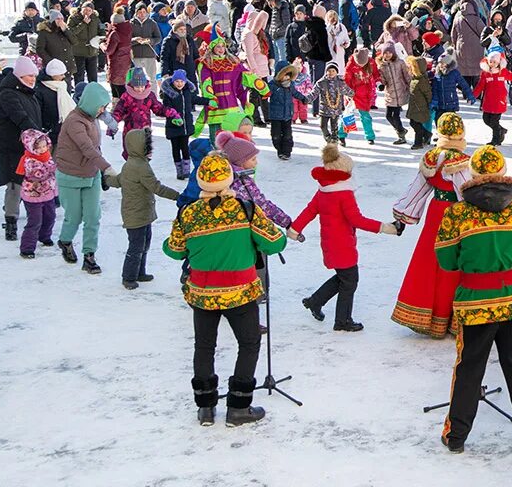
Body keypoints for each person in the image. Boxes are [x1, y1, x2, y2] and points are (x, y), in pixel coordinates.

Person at [434, 145, 512, 454]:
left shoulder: (456, 213)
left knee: (469, 367)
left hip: (475, 302)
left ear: (472, 173)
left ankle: (456, 435)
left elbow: (446, 260)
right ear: (503, 172)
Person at [163, 152, 286, 427]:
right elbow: (275, 243)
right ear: (229, 179)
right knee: (249, 343)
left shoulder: (189, 213)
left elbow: (173, 250)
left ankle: (206, 408)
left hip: (202, 293)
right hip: (240, 291)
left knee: (204, 347)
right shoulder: (244, 209)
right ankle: (238, 407)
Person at [293, 143, 402, 332]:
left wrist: (295, 229)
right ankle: (342, 321)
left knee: (345, 277)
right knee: (350, 280)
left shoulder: (324, 190)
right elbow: (356, 219)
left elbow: (309, 211)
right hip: (342, 244)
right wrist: (386, 228)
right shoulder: (344, 194)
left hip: (330, 242)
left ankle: (315, 301)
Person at [392, 112, 473, 337]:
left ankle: (431, 316)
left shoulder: (431, 158)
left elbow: (417, 189)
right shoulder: (460, 161)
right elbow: (468, 193)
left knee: (432, 262)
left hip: (435, 212)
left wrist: (403, 214)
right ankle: (453, 318)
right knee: (455, 265)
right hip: (457, 215)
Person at [56, 82, 117, 274]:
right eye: (101, 106)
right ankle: (65, 241)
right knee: (74, 217)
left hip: (91, 174)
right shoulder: (74, 121)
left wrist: (100, 172)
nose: (102, 110)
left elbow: (95, 148)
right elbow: (87, 148)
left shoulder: (92, 118)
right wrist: (107, 168)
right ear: (90, 102)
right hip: (71, 175)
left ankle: (89, 255)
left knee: (93, 217)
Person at [107, 129, 180, 289]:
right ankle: (128, 277)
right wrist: (177, 196)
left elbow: (118, 180)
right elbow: (156, 187)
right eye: (148, 146)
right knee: (136, 247)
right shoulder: (140, 167)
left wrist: (107, 180)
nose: (151, 150)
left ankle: (140, 272)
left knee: (144, 244)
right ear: (140, 148)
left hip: (141, 213)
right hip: (136, 215)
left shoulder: (131, 164)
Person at [0, 56, 43, 241]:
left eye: (34, 75)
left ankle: (16, 210)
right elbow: (20, 117)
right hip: (10, 146)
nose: (32, 79)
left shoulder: (28, 91)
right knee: (15, 183)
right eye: (29, 75)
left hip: (26, 145)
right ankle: (11, 223)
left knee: (26, 182)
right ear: (20, 75)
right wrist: (37, 134)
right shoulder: (8, 94)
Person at [111, 66, 182, 159]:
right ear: (132, 85)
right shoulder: (126, 96)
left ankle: (143, 171)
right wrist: (112, 124)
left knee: (144, 155)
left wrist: (172, 113)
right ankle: (131, 171)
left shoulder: (149, 95)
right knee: (130, 155)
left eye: (142, 86)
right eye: (137, 86)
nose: (140, 89)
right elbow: (118, 112)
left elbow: (159, 108)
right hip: (130, 131)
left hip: (145, 130)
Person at [15, 129, 58, 258]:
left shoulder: (46, 156)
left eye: (44, 146)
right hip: (33, 194)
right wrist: (52, 168)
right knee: (35, 220)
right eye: (39, 148)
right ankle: (27, 248)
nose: (43, 149)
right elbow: (38, 175)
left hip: (47, 192)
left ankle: (44, 236)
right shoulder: (29, 160)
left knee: (50, 215)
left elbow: (50, 169)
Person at [160, 69, 206, 178]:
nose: (179, 84)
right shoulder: (169, 94)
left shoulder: (188, 92)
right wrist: (173, 117)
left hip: (185, 126)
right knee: (175, 149)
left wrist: (208, 101)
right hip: (173, 127)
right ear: (173, 82)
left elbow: (196, 99)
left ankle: (186, 170)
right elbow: (166, 108)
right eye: (177, 81)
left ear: (185, 82)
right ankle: (179, 170)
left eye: (181, 81)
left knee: (185, 148)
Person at [344, 48, 380, 144]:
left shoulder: (371, 63)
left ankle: (370, 136)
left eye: (363, 64)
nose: (361, 66)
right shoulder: (351, 64)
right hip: (352, 93)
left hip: (365, 93)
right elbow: (346, 79)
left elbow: (376, 74)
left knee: (366, 116)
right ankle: (341, 135)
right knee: (348, 115)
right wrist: (347, 92)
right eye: (359, 64)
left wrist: (379, 82)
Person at [313, 62, 353, 145]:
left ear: (336, 72)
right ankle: (328, 138)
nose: (331, 73)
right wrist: (306, 99)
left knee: (334, 127)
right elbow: (314, 93)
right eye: (329, 71)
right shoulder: (321, 82)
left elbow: (348, 91)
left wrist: (356, 95)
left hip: (336, 109)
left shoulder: (340, 83)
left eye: (333, 71)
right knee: (322, 126)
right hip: (324, 109)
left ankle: (334, 142)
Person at [67, 2, 102, 84]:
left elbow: (101, 30)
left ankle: (93, 92)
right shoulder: (73, 18)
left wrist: (101, 39)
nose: (87, 12)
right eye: (85, 10)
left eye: (89, 10)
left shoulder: (95, 19)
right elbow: (70, 32)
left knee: (93, 76)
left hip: (92, 52)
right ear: (81, 9)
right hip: (78, 52)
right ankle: (79, 94)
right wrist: (83, 23)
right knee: (79, 76)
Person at [129, 4, 162, 81]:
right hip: (136, 55)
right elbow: (127, 40)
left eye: (144, 12)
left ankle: (153, 93)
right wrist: (135, 40)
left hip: (149, 55)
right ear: (136, 13)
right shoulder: (130, 24)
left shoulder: (152, 23)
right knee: (136, 79)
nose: (142, 14)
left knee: (152, 79)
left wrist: (150, 41)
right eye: (140, 12)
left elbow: (158, 38)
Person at [406, 55, 433, 148]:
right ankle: (426, 134)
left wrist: (430, 103)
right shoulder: (415, 78)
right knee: (413, 122)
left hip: (420, 106)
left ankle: (418, 143)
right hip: (414, 105)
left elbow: (427, 93)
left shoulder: (422, 80)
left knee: (416, 124)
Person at [105, 12, 133, 98]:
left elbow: (109, 50)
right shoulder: (128, 29)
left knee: (116, 88)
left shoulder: (115, 33)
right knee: (123, 86)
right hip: (126, 61)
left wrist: (101, 44)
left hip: (116, 63)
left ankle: (119, 108)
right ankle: (125, 106)